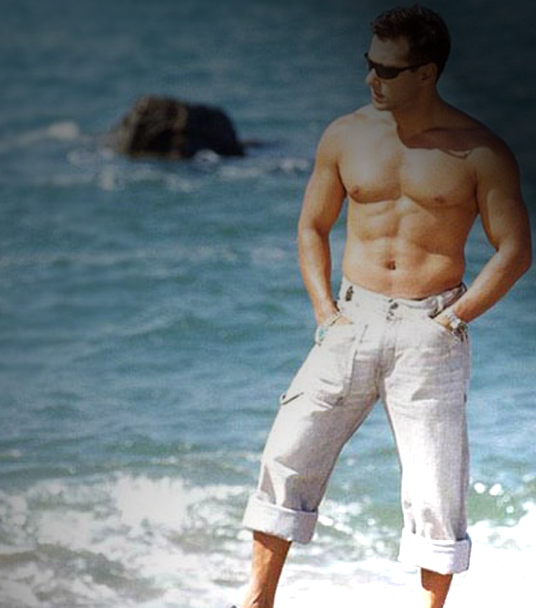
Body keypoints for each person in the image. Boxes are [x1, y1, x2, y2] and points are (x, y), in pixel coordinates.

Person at [236, 5, 532, 608]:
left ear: (427, 73)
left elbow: (516, 250)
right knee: (287, 457)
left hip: (430, 330)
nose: (372, 79)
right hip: (351, 319)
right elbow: (312, 227)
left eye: (388, 70)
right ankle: (256, 602)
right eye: (369, 64)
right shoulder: (346, 135)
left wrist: (453, 319)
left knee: (434, 490)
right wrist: (325, 312)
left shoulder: (480, 151)